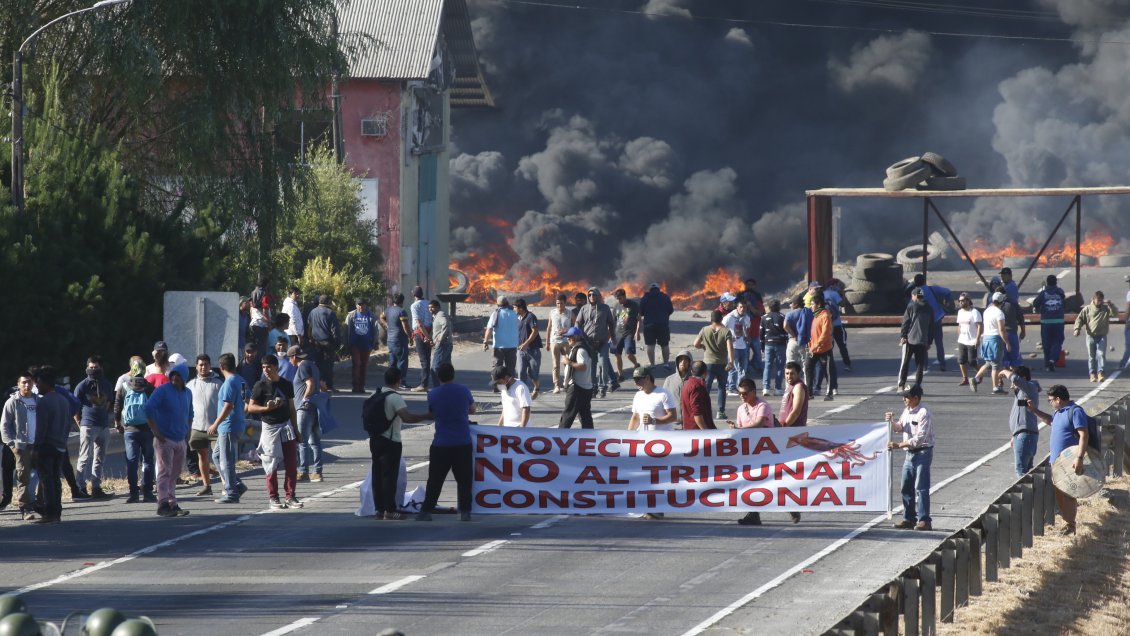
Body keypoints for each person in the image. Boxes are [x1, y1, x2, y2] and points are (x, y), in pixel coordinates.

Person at [370, 367, 432, 520]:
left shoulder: (375, 394)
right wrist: (426, 416)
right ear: (398, 381)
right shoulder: (394, 397)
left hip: (375, 439)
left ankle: (379, 509)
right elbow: (407, 418)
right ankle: (390, 510)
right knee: (389, 477)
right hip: (391, 441)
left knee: (377, 475)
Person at [417, 363, 477, 522]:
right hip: (462, 442)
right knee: (464, 480)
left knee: (435, 479)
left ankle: (426, 510)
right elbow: (472, 409)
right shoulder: (463, 390)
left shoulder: (433, 394)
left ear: (439, 377)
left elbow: (432, 412)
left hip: (441, 443)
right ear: (453, 375)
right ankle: (465, 511)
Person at [1029, 384, 1090, 535]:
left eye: (1050, 400)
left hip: (1069, 462)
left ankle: (1070, 525)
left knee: (1067, 493)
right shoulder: (1058, 412)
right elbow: (1051, 421)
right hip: (1056, 463)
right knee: (1060, 493)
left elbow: (1084, 435)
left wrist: (1079, 458)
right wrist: (1034, 411)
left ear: (1058, 399)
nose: (1050, 403)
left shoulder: (1075, 412)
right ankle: (1068, 523)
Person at [249, 354, 302, 510]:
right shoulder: (260, 386)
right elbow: (251, 407)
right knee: (271, 464)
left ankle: (290, 496)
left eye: (269, 367)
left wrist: (296, 429)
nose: (266, 370)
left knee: (291, 463)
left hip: (286, 427)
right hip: (269, 428)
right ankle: (273, 497)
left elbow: (292, 408)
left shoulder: (286, 384)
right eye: (263, 367)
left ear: (276, 367)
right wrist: (266, 408)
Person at [144, 361, 193, 518]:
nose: (175, 378)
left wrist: (187, 433)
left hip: (180, 439)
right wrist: (156, 432)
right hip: (164, 439)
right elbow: (148, 408)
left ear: (185, 377)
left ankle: (172, 503)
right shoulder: (163, 390)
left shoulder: (187, 393)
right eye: (173, 375)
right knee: (165, 472)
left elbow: (190, 413)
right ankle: (163, 504)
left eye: (179, 376)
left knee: (175, 473)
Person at [888, 385, 935, 531]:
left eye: (907, 397)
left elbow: (920, 439)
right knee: (906, 486)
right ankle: (908, 518)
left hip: (923, 452)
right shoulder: (906, 411)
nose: (904, 399)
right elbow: (899, 428)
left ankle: (924, 520)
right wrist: (891, 421)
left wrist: (899, 445)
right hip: (909, 453)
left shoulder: (924, 413)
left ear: (916, 398)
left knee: (921, 487)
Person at [731, 377, 774, 526]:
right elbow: (741, 431)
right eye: (740, 394)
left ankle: (790, 507)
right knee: (751, 482)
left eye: (745, 393)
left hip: (766, 450)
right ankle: (753, 513)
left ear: (754, 392)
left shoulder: (763, 405)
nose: (742, 396)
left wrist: (739, 430)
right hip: (750, 452)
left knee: (769, 481)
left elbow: (759, 423)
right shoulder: (741, 409)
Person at [31, 366, 71, 523]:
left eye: (38, 382)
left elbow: (41, 428)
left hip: (47, 445)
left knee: (47, 480)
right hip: (60, 445)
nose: (37, 386)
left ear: (45, 382)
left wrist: (35, 448)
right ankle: (57, 513)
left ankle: (49, 513)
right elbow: (67, 425)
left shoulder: (43, 402)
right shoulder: (64, 400)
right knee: (55, 479)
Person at [72, 355, 114, 499]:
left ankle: (96, 487)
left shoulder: (106, 384)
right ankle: (79, 487)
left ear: (101, 368)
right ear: (86, 368)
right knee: (84, 457)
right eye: (91, 367)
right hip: (88, 425)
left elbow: (109, 402)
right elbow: (74, 407)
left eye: (96, 367)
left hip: (103, 426)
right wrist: (80, 423)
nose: (93, 370)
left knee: (99, 458)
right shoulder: (82, 386)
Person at [209, 353, 245, 504]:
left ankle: (231, 492)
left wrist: (215, 423)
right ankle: (236, 484)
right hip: (235, 424)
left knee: (226, 460)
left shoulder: (230, 382)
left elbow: (228, 405)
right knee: (217, 456)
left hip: (228, 426)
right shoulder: (240, 380)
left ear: (221, 366)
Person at [2, 374, 39, 520]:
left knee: (44, 474)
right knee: (23, 477)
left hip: (37, 444)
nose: (26, 385)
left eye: (29, 382)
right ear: (18, 384)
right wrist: (12, 445)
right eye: (23, 383)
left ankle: (39, 503)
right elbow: (4, 426)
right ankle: (25, 508)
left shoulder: (38, 400)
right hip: (21, 445)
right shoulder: (13, 402)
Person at [186, 354, 222, 497]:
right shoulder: (190, 385)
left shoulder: (218, 383)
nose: (203, 367)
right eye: (200, 364)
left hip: (216, 427)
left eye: (206, 364)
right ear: (196, 366)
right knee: (202, 457)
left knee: (220, 457)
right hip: (197, 426)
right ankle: (207, 486)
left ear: (210, 366)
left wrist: (219, 423)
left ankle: (227, 485)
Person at [576, 287, 619, 397]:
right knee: (592, 366)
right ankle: (593, 388)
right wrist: (578, 336)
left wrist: (613, 338)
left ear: (598, 296)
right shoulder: (584, 309)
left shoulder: (605, 308)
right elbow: (577, 323)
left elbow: (611, 323)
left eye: (594, 295)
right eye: (589, 295)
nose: (592, 297)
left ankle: (602, 387)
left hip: (603, 342)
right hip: (589, 342)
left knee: (603, 363)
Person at [998, 366, 1040, 476]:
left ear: (1023, 378)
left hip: (1025, 435)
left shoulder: (1029, 388)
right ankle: (1030, 492)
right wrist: (1014, 435)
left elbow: (1015, 379)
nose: (1012, 384)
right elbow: (1021, 414)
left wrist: (1004, 371)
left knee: (1021, 471)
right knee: (1026, 471)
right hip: (1021, 434)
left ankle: (1026, 493)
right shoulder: (1022, 393)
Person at [289, 345, 322, 483]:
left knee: (302, 441)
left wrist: (304, 399)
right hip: (315, 407)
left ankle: (303, 471)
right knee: (315, 441)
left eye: (290, 358)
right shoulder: (313, 366)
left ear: (294, 357)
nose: (290, 361)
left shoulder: (302, 366)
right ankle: (317, 472)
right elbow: (321, 384)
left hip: (304, 409)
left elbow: (311, 383)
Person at [694, 310, 735, 420]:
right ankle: (720, 411)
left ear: (711, 319)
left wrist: (703, 346)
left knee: (706, 387)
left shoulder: (704, 330)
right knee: (722, 388)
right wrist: (731, 361)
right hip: (722, 363)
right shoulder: (726, 331)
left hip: (708, 363)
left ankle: (703, 410)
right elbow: (729, 347)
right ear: (721, 319)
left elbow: (695, 344)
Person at [909, 274, 953, 370]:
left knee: (924, 343)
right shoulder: (932, 289)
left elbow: (912, 306)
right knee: (939, 342)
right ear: (924, 281)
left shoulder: (916, 292)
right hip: (937, 318)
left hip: (924, 322)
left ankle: (924, 366)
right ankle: (942, 364)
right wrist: (947, 302)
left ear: (915, 283)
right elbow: (948, 292)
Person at [1073, 290, 1118, 382]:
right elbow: (1080, 319)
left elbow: (1115, 313)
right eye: (1098, 300)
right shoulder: (1087, 309)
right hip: (1090, 336)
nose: (1100, 302)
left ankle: (1100, 372)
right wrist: (1077, 329)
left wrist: (1111, 305)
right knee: (1092, 356)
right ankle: (1092, 374)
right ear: (1093, 299)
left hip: (1102, 336)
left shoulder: (1105, 308)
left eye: (1101, 300)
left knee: (1101, 354)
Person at [972, 292, 1010, 393]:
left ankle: (976, 379)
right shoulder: (999, 313)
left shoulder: (987, 311)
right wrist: (1007, 342)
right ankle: (995, 387)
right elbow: (1001, 329)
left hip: (986, 338)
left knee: (988, 362)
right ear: (1001, 302)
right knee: (996, 365)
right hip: (995, 339)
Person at [898, 287, 934, 392]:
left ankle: (901, 385)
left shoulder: (911, 306)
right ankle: (918, 385)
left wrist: (903, 336)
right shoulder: (929, 308)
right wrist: (929, 341)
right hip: (923, 341)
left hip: (910, 340)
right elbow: (931, 326)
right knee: (919, 365)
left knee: (905, 363)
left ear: (914, 296)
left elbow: (906, 322)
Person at [558, 327, 595, 429]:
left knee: (568, 415)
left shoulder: (580, 350)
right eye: (567, 337)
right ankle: (589, 437)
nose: (568, 339)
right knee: (585, 416)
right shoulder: (581, 348)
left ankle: (559, 437)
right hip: (585, 388)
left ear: (577, 337)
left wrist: (568, 362)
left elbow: (583, 366)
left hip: (577, 388)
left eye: (570, 337)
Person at [627, 366, 678, 433]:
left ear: (648, 378)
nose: (636, 383)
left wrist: (653, 421)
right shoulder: (638, 395)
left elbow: (673, 417)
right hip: (644, 438)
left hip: (662, 438)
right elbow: (635, 417)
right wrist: (628, 434)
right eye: (635, 380)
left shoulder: (664, 394)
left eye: (638, 380)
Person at [1033, 274, 1066, 373]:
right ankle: (1052, 360)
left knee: (1046, 343)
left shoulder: (1043, 293)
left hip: (1046, 322)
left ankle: (1048, 363)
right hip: (1059, 321)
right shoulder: (1060, 292)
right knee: (1057, 341)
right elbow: (1064, 303)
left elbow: (1035, 303)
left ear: (1047, 283)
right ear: (1056, 282)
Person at [483, 296, 520, 385]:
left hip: (499, 346)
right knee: (511, 368)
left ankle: (497, 387)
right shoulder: (514, 314)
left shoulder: (495, 314)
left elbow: (489, 329)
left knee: (497, 368)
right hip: (512, 346)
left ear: (498, 304)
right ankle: (511, 387)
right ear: (507, 304)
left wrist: (486, 342)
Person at [308, 294, 341, 392]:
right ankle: (328, 386)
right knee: (328, 366)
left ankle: (318, 385)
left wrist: (311, 340)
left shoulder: (312, 312)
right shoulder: (330, 313)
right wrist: (337, 342)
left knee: (318, 365)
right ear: (328, 302)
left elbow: (309, 327)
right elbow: (335, 330)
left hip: (316, 343)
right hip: (328, 343)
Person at [806, 294, 836, 401]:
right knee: (808, 368)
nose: (811, 306)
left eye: (812, 304)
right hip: (813, 348)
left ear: (818, 305)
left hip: (824, 349)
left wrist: (817, 344)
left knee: (827, 371)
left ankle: (829, 393)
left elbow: (825, 333)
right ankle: (809, 393)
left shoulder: (825, 315)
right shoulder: (815, 315)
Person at [637, 282, 675, 368]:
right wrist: (664, 316)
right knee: (665, 345)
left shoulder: (645, 298)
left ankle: (652, 364)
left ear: (650, 289)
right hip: (662, 324)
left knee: (650, 345)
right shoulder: (665, 297)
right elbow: (671, 310)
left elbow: (641, 312)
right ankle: (666, 363)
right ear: (658, 289)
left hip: (649, 325)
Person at [345, 298, 377, 393]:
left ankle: (362, 386)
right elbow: (346, 330)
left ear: (365, 305)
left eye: (362, 304)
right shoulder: (351, 315)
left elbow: (375, 330)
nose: (360, 306)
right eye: (359, 304)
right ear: (356, 305)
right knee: (356, 364)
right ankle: (355, 385)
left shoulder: (370, 315)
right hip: (355, 344)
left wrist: (375, 342)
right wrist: (346, 343)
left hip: (366, 344)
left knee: (364, 365)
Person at [722, 299, 751, 395]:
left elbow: (748, 328)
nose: (743, 309)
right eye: (741, 307)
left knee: (743, 369)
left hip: (743, 346)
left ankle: (740, 387)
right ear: (737, 307)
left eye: (744, 307)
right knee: (733, 368)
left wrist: (746, 336)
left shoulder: (746, 317)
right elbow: (721, 328)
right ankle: (731, 388)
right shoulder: (729, 317)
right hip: (732, 347)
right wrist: (727, 338)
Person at [515, 298, 543, 398]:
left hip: (533, 351)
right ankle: (523, 396)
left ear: (521, 308)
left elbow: (535, 331)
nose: (514, 309)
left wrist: (526, 343)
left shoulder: (530, 317)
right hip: (521, 351)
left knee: (533, 374)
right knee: (521, 373)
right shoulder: (517, 318)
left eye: (515, 307)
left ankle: (537, 388)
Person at [611, 289, 641, 382]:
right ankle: (620, 374)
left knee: (629, 354)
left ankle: (636, 364)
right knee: (617, 354)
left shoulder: (633, 305)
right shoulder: (616, 306)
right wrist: (610, 335)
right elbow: (613, 322)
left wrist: (637, 332)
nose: (619, 300)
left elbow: (639, 319)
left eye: (620, 298)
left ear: (624, 296)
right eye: (617, 299)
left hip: (629, 333)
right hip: (618, 333)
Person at [739, 278, 767, 373]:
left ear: (754, 286)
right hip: (743, 333)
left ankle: (756, 366)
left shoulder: (757, 298)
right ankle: (745, 369)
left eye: (752, 285)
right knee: (745, 353)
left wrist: (751, 306)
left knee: (758, 353)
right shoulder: (740, 297)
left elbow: (762, 313)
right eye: (748, 285)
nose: (750, 287)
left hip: (755, 332)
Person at [760, 299, 787, 396]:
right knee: (780, 366)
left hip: (768, 344)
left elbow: (761, 333)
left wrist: (762, 345)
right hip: (780, 344)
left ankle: (766, 388)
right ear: (779, 306)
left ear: (769, 307)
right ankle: (778, 388)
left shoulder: (764, 317)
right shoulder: (782, 317)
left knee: (768, 365)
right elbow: (786, 330)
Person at [823, 279, 852, 371]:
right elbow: (843, 304)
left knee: (828, 346)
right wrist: (843, 293)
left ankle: (829, 365)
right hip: (837, 324)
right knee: (842, 345)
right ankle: (847, 364)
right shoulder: (834, 294)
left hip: (826, 325)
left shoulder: (822, 294)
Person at [783, 295, 813, 384]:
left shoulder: (790, 314)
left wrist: (793, 334)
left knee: (790, 365)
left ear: (796, 304)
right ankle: (808, 387)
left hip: (793, 341)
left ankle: (790, 387)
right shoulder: (808, 312)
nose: (790, 305)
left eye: (791, 303)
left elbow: (785, 325)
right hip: (806, 341)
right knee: (806, 365)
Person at [679, 361, 716, 431]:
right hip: (697, 433)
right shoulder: (697, 387)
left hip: (689, 430)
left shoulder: (687, 384)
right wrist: (706, 432)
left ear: (691, 372)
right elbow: (697, 413)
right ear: (706, 373)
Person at [547, 293, 573, 394]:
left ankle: (567, 383)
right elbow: (549, 327)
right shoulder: (552, 312)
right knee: (555, 365)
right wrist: (548, 342)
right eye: (558, 303)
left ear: (565, 303)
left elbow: (575, 327)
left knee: (568, 363)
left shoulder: (570, 313)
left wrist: (567, 331)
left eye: (561, 303)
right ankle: (556, 385)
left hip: (566, 341)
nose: (559, 305)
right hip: (554, 341)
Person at [409, 286, 433, 392]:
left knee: (424, 360)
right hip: (428, 330)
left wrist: (426, 336)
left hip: (421, 333)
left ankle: (423, 385)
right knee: (427, 359)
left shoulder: (414, 306)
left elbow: (418, 322)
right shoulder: (428, 303)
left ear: (414, 295)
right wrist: (430, 335)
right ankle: (424, 382)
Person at [955, 293, 982, 387]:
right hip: (962, 340)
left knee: (972, 361)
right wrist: (959, 336)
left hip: (972, 340)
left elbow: (979, 326)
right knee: (961, 360)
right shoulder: (960, 312)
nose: (960, 302)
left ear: (968, 301)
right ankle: (965, 378)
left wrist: (978, 339)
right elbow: (959, 325)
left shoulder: (974, 312)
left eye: (962, 300)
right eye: (959, 301)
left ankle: (979, 374)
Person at [662, 350, 694, 424]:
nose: (683, 362)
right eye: (680, 360)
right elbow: (662, 400)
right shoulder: (669, 380)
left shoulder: (693, 380)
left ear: (690, 363)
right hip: (673, 423)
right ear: (677, 362)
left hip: (690, 423)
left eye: (686, 360)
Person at [428, 300, 452, 388]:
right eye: (429, 308)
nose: (430, 309)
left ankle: (437, 388)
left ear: (437, 307)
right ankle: (447, 388)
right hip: (446, 344)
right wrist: (433, 340)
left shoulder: (440, 314)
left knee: (435, 368)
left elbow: (446, 325)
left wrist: (440, 338)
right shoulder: (436, 316)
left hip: (443, 345)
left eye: (432, 307)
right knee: (446, 369)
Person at [249, 276, 274, 355]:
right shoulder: (264, 294)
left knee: (254, 348)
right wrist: (269, 324)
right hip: (262, 324)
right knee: (261, 350)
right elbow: (265, 309)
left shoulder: (253, 292)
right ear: (266, 284)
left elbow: (251, 308)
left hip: (254, 323)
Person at [779, 362, 808, 428]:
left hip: (793, 430)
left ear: (798, 374)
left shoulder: (798, 387)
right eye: (787, 373)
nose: (789, 376)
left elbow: (795, 412)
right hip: (787, 428)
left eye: (792, 373)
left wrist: (784, 426)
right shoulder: (791, 386)